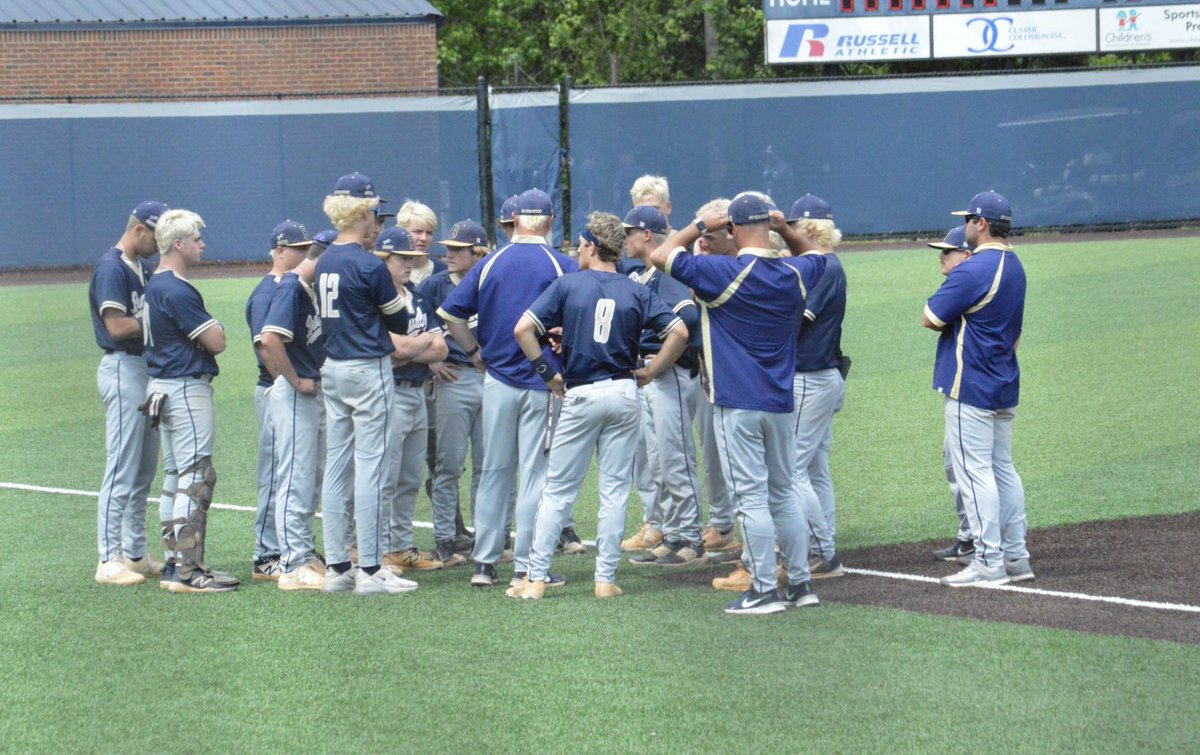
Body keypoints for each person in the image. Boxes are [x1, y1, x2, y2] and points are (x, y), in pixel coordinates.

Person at [648, 192, 826, 614]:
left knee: (751, 499)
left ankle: (763, 589)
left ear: (732, 228)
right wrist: (784, 230)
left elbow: (660, 254)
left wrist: (701, 225)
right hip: (779, 401)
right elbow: (819, 257)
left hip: (737, 402)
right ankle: (800, 584)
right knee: (784, 493)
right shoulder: (793, 273)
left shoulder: (721, 271)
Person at [508, 211, 688, 599]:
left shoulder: (568, 284)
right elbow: (679, 331)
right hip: (623, 391)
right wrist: (652, 371)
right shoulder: (635, 288)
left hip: (582, 392)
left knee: (558, 489)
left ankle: (535, 579)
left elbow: (523, 329)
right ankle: (605, 579)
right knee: (615, 491)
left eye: (580, 245)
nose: (577, 251)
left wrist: (548, 374)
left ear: (591, 246)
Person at [436, 188, 579, 588]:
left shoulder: (490, 262)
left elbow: (451, 314)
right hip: (543, 382)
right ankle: (526, 565)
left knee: (494, 471)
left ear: (514, 221)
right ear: (550, 222)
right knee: (534, 474)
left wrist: (474, 352)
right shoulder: (562, 263)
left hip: (496, 379)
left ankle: (483, 564)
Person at [922, 190, 1032, 587]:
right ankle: (1016, 556)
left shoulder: (974, 269)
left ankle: (988, 560)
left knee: (974, 473)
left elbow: (931, 317)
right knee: (1003, 469)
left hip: (970, 384)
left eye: (968, 219)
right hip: (1003, 380)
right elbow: (1015, 334)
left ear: (981, 223)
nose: (965, 225)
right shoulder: (1015, 265)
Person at [314, 172, 416, 596]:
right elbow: (400, 320)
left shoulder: (324, 259)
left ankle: (338, 567)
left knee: (337, 467)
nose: (377, 221)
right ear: (362, 213)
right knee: (371, 467)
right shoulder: (369, 264)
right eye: (375, 212)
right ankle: (371, 569)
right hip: (367, 368)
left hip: (334, 368)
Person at [144, 208, 237, 593]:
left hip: (162, 386)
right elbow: (217, 341)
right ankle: (188, 570)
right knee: (197, 476)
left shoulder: (156, 283)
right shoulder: (176, 289)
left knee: (176, 475)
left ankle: (173, 564)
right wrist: (217, 329)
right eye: (197, 239)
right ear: (178, 244)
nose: (203, 244)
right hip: (184, 386)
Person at [619, 205, 707, 567]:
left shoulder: (666, 274)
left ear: (646, 235)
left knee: (676, 459)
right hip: (653, 377)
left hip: (669, 376)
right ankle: (672, 535)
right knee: (658, 462)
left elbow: (688, 316)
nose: (624, 240)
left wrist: (660, 357)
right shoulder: (643, 275)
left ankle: (691, 540)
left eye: (628, 233)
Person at [90, 200, 166, 585]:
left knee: (143, 469)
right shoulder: (112, 267)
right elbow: (117, 327)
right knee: (121, 464)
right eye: (156, 236)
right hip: (123, 368)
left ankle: (134, 553)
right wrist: (159, 319)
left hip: (145, 370)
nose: (159, 244)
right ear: (139, 230)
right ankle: (108, 558)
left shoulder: (142, 267)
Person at [374, 226, 449, 573]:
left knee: (409, 477)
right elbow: (394, 352)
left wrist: (409, 347)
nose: (409, 264)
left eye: (411, 258)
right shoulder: (376, 300)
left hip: (418, 391)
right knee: (384, 477)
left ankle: (401, 546)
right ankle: (376, 550)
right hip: (389, 391)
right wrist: (419, 345)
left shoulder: (416, 296)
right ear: (383, 259)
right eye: (401, 258)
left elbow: (441, 348)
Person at [418, 220, 492, 565]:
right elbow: (415, 325)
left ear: (477, 253)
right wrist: (430, 360)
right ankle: (445, 539)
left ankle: (487, 538)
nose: (448, 254)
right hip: (454, 378)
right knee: (448, 464)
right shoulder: (434, 285)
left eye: (457, 250)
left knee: (488, 465)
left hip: (491, 379)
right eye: (447, 248)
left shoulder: (492, 280)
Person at [784, 194, 849, 580]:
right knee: (814, 468)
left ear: (807, 229)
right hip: (823, 377)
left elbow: (796, 322)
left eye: (792, 228)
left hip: (809, 378)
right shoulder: (828, 264)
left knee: (791, 470)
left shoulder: (822, 267)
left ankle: (823, 552)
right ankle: (824, 543)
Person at [244, 220, 312, 581]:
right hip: (274, 389)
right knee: (275, 472)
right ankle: (266, 553)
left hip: (286, 388)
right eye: (299, 250)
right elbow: (266, 347)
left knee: (293, 470)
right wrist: (287, 383)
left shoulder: (294, 287)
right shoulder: (269, 292)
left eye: (308, 249)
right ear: (280, 251)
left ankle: (290, 548)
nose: (306, 255)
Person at [260, 235, 327, 590]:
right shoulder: (291, 288)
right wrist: (294, 379)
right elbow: (269, 339)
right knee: (295, 478)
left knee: (310, 477)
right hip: (296, 394)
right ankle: (292, 565)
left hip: (310, 392)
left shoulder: (306, 288)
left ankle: (303, 553)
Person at [689, 198, 741, 563]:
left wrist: (696, 246)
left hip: (741, 386)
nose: (703, 241)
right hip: (713, 380)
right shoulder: (710, 268)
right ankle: (724, 528)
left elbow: (664, 255)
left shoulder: (733, 270)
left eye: (710, 235)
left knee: (747, 473)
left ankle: (759, 556)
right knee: (715, 457)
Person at [925, 226, 979, 566]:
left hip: (969, 386)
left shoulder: (967, 282)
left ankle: (980, 542)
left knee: (968, 468)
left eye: (948, 251)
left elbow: (930, 317)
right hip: (973, 383)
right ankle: (969, 537)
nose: (941, 256)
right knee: (956, 464)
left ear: (967, 255)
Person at [395, 200, 447, 286]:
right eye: (418, 232)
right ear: (401, 231)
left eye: (429, 233)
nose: (424, 238)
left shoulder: (443, 272)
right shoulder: (387, 272)